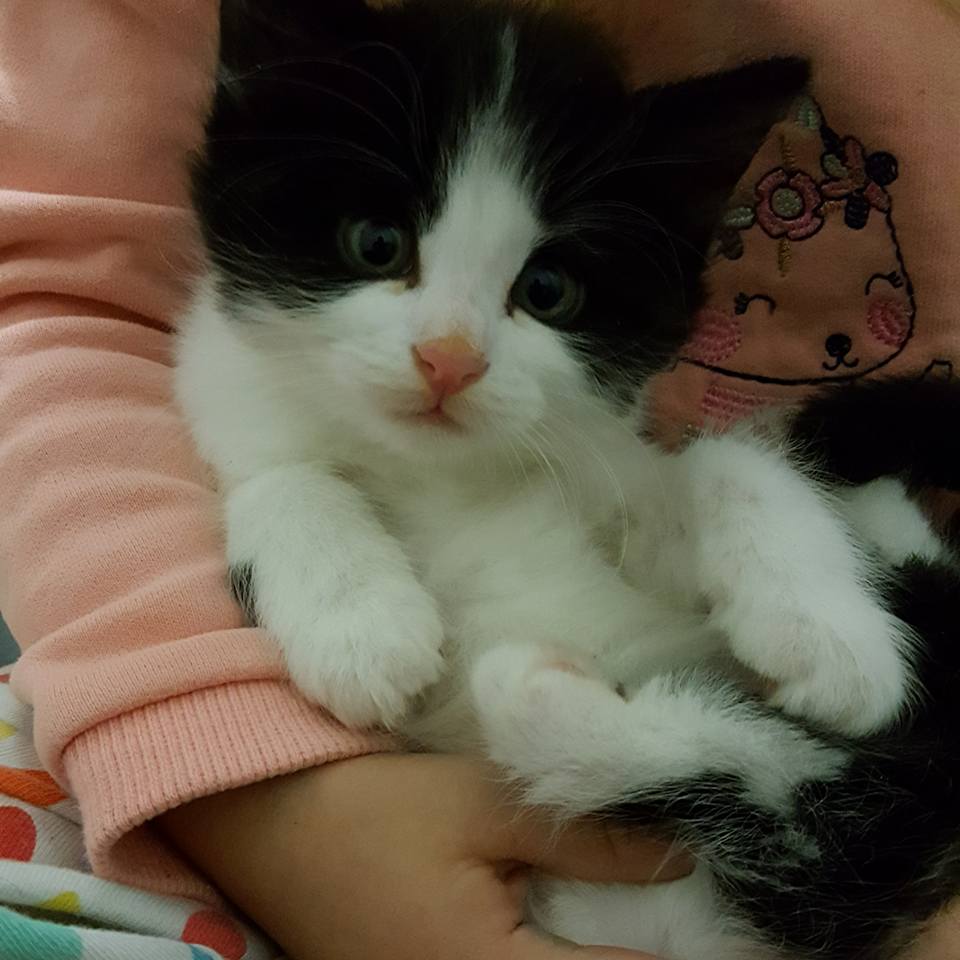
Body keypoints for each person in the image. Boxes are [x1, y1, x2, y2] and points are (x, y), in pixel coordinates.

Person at [0, 1, 957, 958]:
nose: (450, 353)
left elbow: (670, 529)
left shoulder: (588, 452)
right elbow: (67, 301)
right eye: (383, 251)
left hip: (776, 805)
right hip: (355, 817)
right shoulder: (248, 402)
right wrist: (284, 528)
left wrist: (758, 527)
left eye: (543, 293)